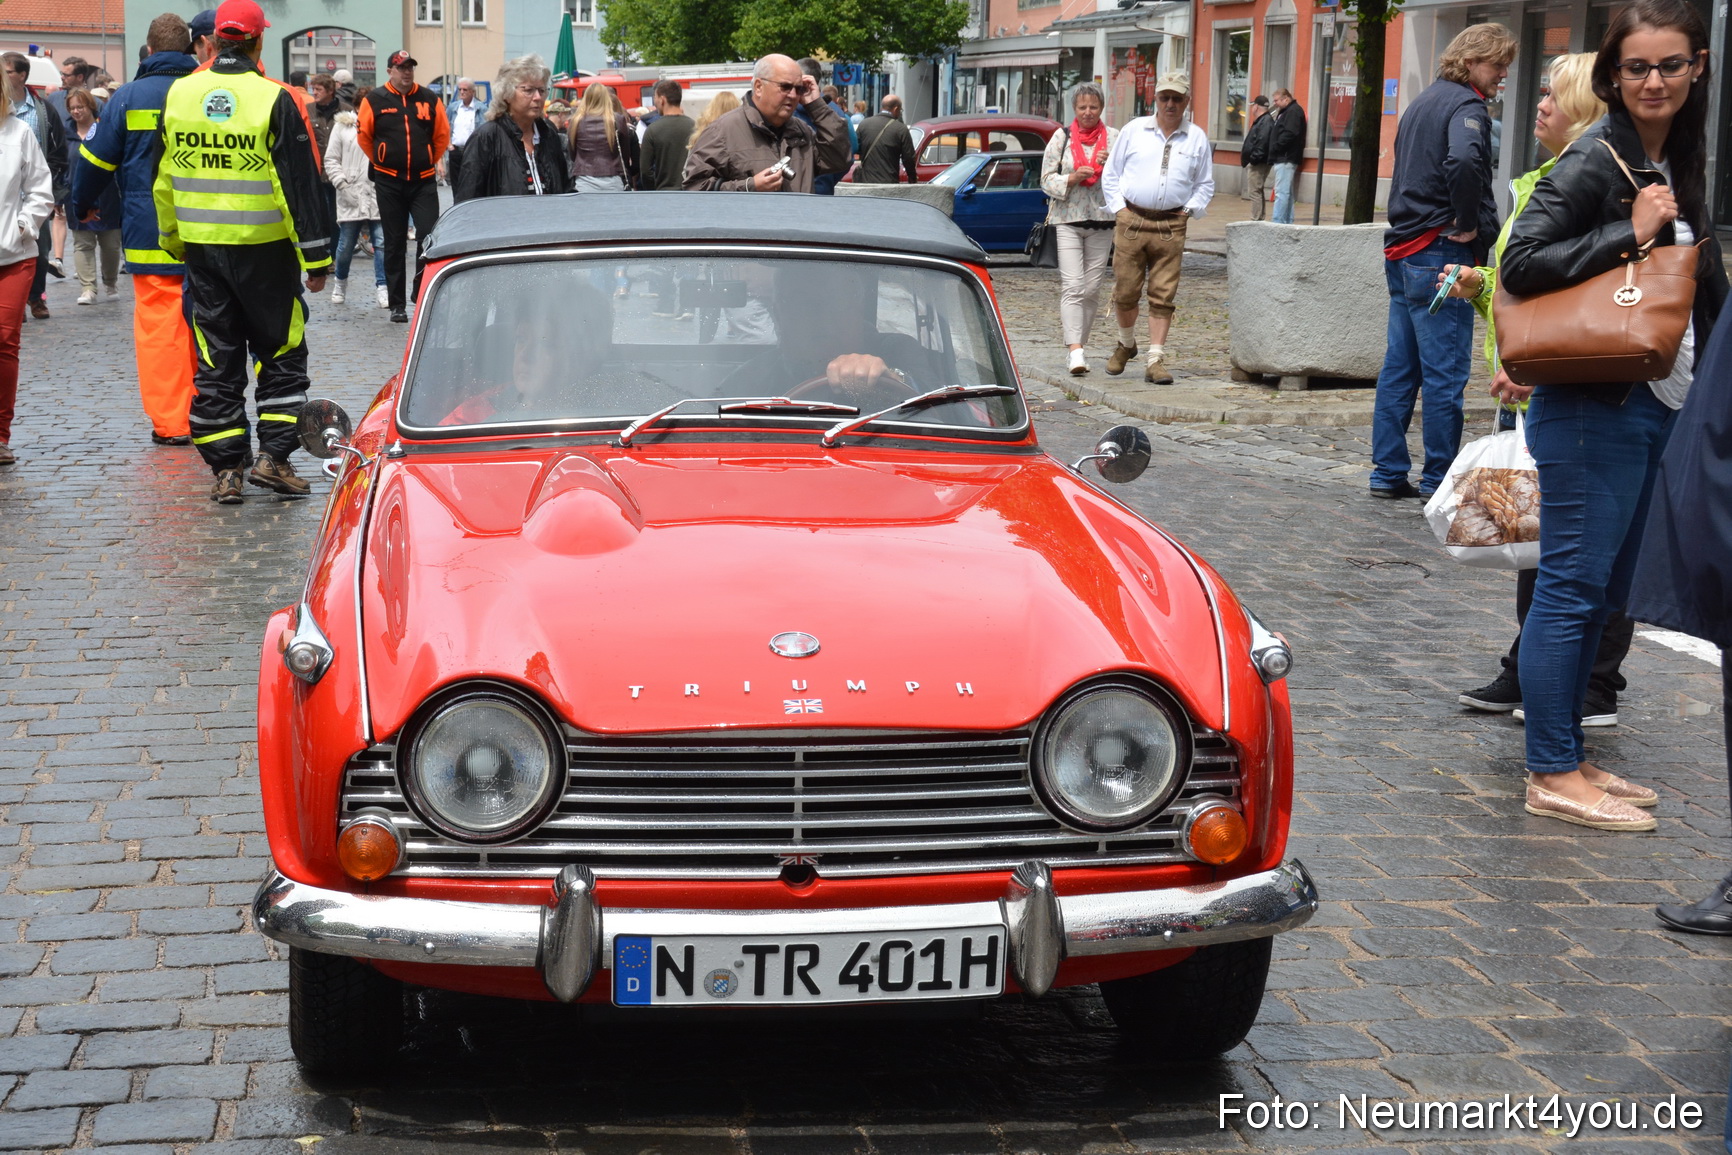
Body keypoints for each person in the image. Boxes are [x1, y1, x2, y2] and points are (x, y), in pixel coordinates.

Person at [1497, 0, 1725, 831]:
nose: (1654, 80)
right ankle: (1551, 771)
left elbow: (1703, 278)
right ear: (1613, 76)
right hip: (1593, 405)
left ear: (1697, 66)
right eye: (1637, 67)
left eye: (1670, 65)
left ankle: (1570, 751)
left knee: (1600, 598)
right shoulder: (1598, 160)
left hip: (1650, 402)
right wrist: (1629, 235)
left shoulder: (1674, 157)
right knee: (1569, 591)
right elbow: (1522, 264)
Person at [1441, 54, 1626, 724]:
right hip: (1529, 383)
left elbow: (1576, 296)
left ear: (1585, 107)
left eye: (1554, 93)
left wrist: (1534, 361)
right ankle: (1531, 669)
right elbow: (1526, 282)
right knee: (1539, 541)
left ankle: (1591, 685)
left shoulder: (1591, 182)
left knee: (1577, 547)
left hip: (1556, 382)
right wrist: (1479, 286)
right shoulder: (1544, 179)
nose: (1539, 103)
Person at [153, 0, 332, 504]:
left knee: (217, 358)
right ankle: (274, 459)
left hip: (204, 252)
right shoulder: (276, 97)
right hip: (266, 253)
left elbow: (163, 176)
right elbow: (300, 183)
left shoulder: (181, 93)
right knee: (280, 354)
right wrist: (317, 258)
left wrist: (174, 239)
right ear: (256, 42)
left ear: (212, 42)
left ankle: (226, 470)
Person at [1368, 23, 1516, 499]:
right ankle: (1438, 480)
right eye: (1498, 66)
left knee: (1399, 371)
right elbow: (1464, 161)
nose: (1503, 77)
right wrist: (1470, 220)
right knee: (1445, 374)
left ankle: (1387, 472)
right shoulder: (1467, 105)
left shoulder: (1424, 100)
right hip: (1441, 253)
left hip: (1405, 249)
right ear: (1472, 62)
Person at [71, 11, 199, 446]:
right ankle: (213, 415)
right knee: (209, 326)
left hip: (150, 234)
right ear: (189, 50)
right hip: (211, 232)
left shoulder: (128, 98)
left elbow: (95, 163)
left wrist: (81, 206)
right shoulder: (206, 92)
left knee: (161, 330)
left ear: (147, 51)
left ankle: (173, 423)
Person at [1099, 70, 1214, 385]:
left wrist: (1188, 212)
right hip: (1132, 221)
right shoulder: (1135, 130)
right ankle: (1126, 343)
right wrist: (1120, 210)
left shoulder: (1196, 138)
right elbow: (1111, 174)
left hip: (1171, 225)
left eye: (1177, 98)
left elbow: (1205, 184)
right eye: (1165, 97)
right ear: (1156, 99)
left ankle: (1155, 359)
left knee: (1163, 295)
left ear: (1186, 101)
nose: (1171, 104)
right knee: (1125, 291)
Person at [358, 50, 448, 323]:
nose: (406, 72)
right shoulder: (374, 99)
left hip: (422, 180)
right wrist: (383, 160)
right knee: (394, 241)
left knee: (428, 235)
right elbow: (365, 137)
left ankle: (420, 290)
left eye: (410, 67)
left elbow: (442, 135)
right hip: (389, 180)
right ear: (390, 71)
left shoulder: (429, 98)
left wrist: (427, 160)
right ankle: (397, 304)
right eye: (401, 68)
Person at [1040, 82, 1118, 377]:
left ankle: (1079, 344)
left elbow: (1127, 176)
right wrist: (1071, 177)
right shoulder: (1061, 137)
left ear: (1101, 109)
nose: (1088, 112)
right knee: (1073, 286)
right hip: (1068, 220)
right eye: (1083, 107)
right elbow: (1045, 179)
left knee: (1092, 288)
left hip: (1102, 219)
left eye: (1093, 107)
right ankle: (1075, 351)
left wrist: (1110, 166)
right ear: (1074, 109)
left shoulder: (1113, 138)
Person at [683, 54, 849, 193]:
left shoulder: (802, 130)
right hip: (750, 231)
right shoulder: (722, 132)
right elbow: (694, 189)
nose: (793, 95)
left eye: (799, 89)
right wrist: (749, 186)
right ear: (759, 87)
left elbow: (839, 160)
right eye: (785, 87)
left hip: (798, 229)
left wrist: (817, 106)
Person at [0, 74, 55, 465]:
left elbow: (40, 189)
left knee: (4, 343)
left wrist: (25, 224)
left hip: (13, 256)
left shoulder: (18, 132)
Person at [4, 52, 68, 321]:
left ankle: (36, 297)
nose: (3, 77)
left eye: (7, 72)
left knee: (39, 251)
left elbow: (57, 151)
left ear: (21, 75)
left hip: (32, 195)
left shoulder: (42, 110)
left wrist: (53, 189)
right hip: (6, 194)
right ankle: (14, 302)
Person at [456, 56, 571, 202]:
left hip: (547, 223)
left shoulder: (548, 132)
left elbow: (565, 188)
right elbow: (467, 200)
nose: (537, 97)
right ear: (507, 94)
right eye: (528, 90)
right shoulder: (486, 137)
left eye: (541, 90)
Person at [324, 102, 386, 307]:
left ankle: (383, 287)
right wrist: (341, 183)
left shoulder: (383, 124)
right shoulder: (343, 126)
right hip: (350, 191)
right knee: (345, 245)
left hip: (378, 191)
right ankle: (340, 283)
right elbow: (331, 158)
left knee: (382, 242)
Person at [64, 88, 120, 305]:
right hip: (76, 195)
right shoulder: (66, 133)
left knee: (111, 244)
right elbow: (60, 162)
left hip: (108, 195)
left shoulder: (104, 131)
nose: (77, 111)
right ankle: (88, 288)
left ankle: (110, 281)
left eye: (81, 107)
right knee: (82, 243)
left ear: (91, 106)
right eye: (72, 108)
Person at [568, 81, 638, 192]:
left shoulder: (576, 121)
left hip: (584, 179)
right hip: (612, 177)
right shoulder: (617, 119)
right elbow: (625, 154)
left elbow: (572, 154)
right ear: (606, 98)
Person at [306, 73, 345, 252]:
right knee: (319, 216)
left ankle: (334, 252)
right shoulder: (307, 111)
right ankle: (322, 252)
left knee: (336, 217)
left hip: (338, 173)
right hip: (315, 172)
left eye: (318, 89)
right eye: (313, 89)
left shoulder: (346, 112)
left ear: (330, 91)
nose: (314, 93)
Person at [793, 58, 840, 195]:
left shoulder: (791, 108)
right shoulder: (836, 111)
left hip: (808, 190)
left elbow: (846, 155)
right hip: (821, 188)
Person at [855, 94, 918, 185]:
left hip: (866, 182)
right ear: (896, 109)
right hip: (889, 183)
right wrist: (912, 179)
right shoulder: (901, 129)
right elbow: (908, 158)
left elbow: (856, 148)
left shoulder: (864, 124)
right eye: (900, 110)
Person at [641, 79, 691, 191]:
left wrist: (653, 191)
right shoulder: (695, 127)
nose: (655, 102)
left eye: (655, 98)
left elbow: (645, 170)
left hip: (663, 193)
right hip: (690, 192)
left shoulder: (652, 130)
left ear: (662, 100)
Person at [1268, 89, 1307, 224]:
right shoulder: (1287, 111)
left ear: (1286, 99)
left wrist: (1276, 147)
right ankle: (1286, 221)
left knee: (1282, 193)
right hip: (1284, 156)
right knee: (1286, 193)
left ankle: (1278, 222)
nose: (1275, 103)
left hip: (1285, 157)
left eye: (1277, 100)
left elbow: (1290, 133)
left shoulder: (1293, 112)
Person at [443, 76, 483, 191]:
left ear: (472, 92)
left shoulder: (481, 109)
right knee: (456, 185)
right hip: (455, 151)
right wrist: (449, 145)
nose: (461, 92)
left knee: (472, 184)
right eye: (460, 89)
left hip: (472, 152)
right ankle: (457, 206)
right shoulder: (453, 108)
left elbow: (484, 131)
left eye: (465, 90)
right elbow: (446, 127)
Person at [1239, 95, 1272, 221]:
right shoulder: (1263, 120)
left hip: (1258, 162)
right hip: (1258, 160)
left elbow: (1262, 143)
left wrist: (1253, 159)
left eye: (1253, 105)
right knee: (1257, 189)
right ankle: (1259, 217)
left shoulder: (1265, 121)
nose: (1252, 108)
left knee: (1254, 191)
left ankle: (1256, 218)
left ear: (1257, 106)